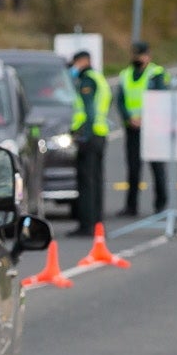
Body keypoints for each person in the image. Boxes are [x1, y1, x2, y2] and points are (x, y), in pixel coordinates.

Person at [116, 40, 170, 216]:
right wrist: (129, 118)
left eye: (141, 54)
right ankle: (131, 206)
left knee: (157, 168)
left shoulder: (156, 74)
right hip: (132, 128)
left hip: (153, 129)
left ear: (148, 55)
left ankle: (160, 205)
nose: (137, 58)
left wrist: (145, 119)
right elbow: (120, 100)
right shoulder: (125, 75)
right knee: (133, 169)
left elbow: (160, 100)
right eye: (135, 54)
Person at [66, 47, 110, 233]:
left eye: (76, 63)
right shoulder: (99, 78)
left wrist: (84, 135)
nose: (74, 67)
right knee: (96, 180)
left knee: (86, 182)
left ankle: (87, 224)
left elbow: (89, 111)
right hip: (100, 134)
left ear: (84, 61)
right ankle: (97, 221)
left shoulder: (87, 80)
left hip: (90, 137)